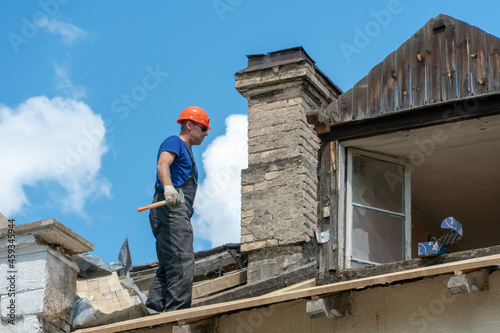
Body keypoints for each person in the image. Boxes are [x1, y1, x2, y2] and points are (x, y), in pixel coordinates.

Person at [145, 106, 211, 313]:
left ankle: (154, 311)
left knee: (169, 264)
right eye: (203, 128)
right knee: (182, 262)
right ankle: (176, 317)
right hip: (170, 210)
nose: (206, 133)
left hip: (171, 212)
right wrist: (168, 188)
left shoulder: (188, 152)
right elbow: (163, 164)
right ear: (188, 125)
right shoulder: (175, 142)